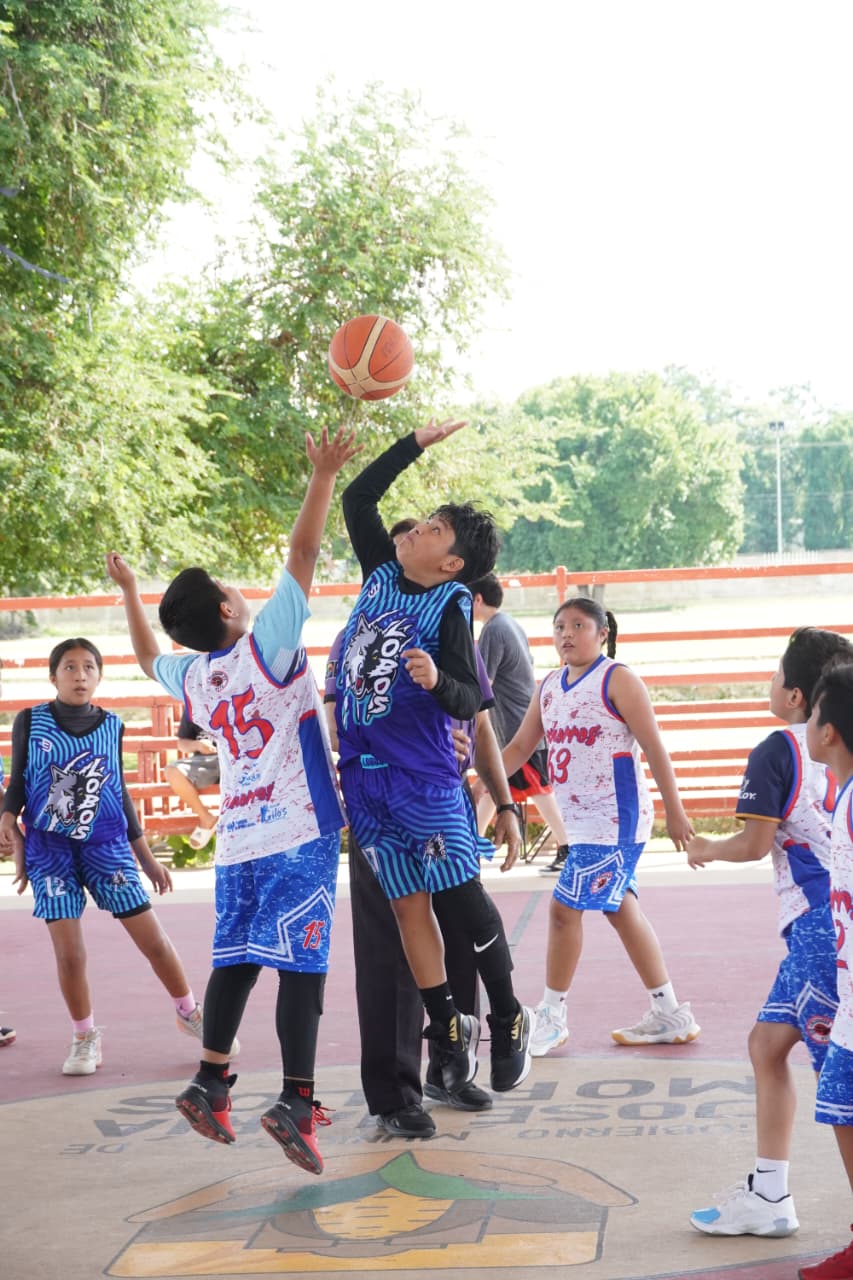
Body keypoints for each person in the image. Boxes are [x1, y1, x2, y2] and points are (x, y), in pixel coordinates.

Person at [105, 424, 359, 1176]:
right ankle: (295, 1099)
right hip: (297, 827)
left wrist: (129, 594)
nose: (240, 592)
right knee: (302, 968)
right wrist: (321, 475)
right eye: (228, 589)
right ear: (223, 611)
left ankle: (211, 1079)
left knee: (239, 960)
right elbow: (303, 556)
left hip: (238, 838)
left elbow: (149, 655)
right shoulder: (266, 646)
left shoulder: (195, 678)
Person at [334, 417, 532, 1103]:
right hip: (365, 783)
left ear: (451, 564)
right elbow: (357, 499)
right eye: (425, 524)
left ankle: (506, 1016)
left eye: (435, 531)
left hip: (424, 782)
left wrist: (432, 682)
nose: (417, 529)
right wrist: (413, 444)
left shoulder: (449, 606)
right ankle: (446, 1031)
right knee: (409, 910)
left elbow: (468, 700)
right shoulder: (380, 573)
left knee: (463, 905)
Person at [325, 594, 522, 1137]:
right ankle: (394, 1092)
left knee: (461, 930)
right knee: (391, 947)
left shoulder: (448, 626)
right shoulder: (351, 640)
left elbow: (479, 722)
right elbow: (332, 726)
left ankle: (451, 1067)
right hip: (378, 805)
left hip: (441, 800)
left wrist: (503, 803)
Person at [687, 628, 853, 1239]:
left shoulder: (779, 748)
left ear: (795, 696)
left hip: (818, 928)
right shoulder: (841, 748)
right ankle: (769, 1192)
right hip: (823, 926)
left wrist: (706, 845)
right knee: (766, 1046)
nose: (770, 682)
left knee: (840, 1084)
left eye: (776, 672)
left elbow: (756, 844)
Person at [0, 638, 208, 1075]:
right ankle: (83, 1037)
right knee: (71, 955)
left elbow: (121, 794)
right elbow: (18, 783)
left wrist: (146, 857)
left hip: (107, 846)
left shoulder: (111, 725)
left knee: (153, 941)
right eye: (70, 667)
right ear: (53, 675)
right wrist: (8, 821)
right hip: (49, 850)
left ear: (99, 675)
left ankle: (189, 1013)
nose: (80, 675)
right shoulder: (30, 721)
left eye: (89, 667)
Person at [502, 596, 699, 1056]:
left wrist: (676, 810)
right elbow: (516, 750)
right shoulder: (549, 685)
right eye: (558, 627)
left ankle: (552, 1014)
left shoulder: (618, 679)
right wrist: (479, 786)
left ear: (601, 632)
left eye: (577, 625)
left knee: (562, 910)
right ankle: (668, 1011)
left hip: (615, 820)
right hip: (582, 822)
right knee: (619, 908)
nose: (566, 634)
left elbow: (654, 748)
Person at [799, 662, 853, 1280]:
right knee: (840, 1106)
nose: (805, 722)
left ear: (831, 731)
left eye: (812, 713)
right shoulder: (838, 794)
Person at [467, 572, 571, 873]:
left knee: (536, 788)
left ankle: (568, 847)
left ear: (476, 599)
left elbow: (482, 685)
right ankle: (472, 848)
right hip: (520, 723)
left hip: (516, 729)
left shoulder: (493, 631)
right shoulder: (510, 624)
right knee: (492, 786)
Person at [163, 711, 220, 851]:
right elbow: (182, 743)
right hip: (205, 761)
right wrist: (198, 745)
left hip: (237, 758)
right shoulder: (192, 702)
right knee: (172, 771)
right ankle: (206, 817)